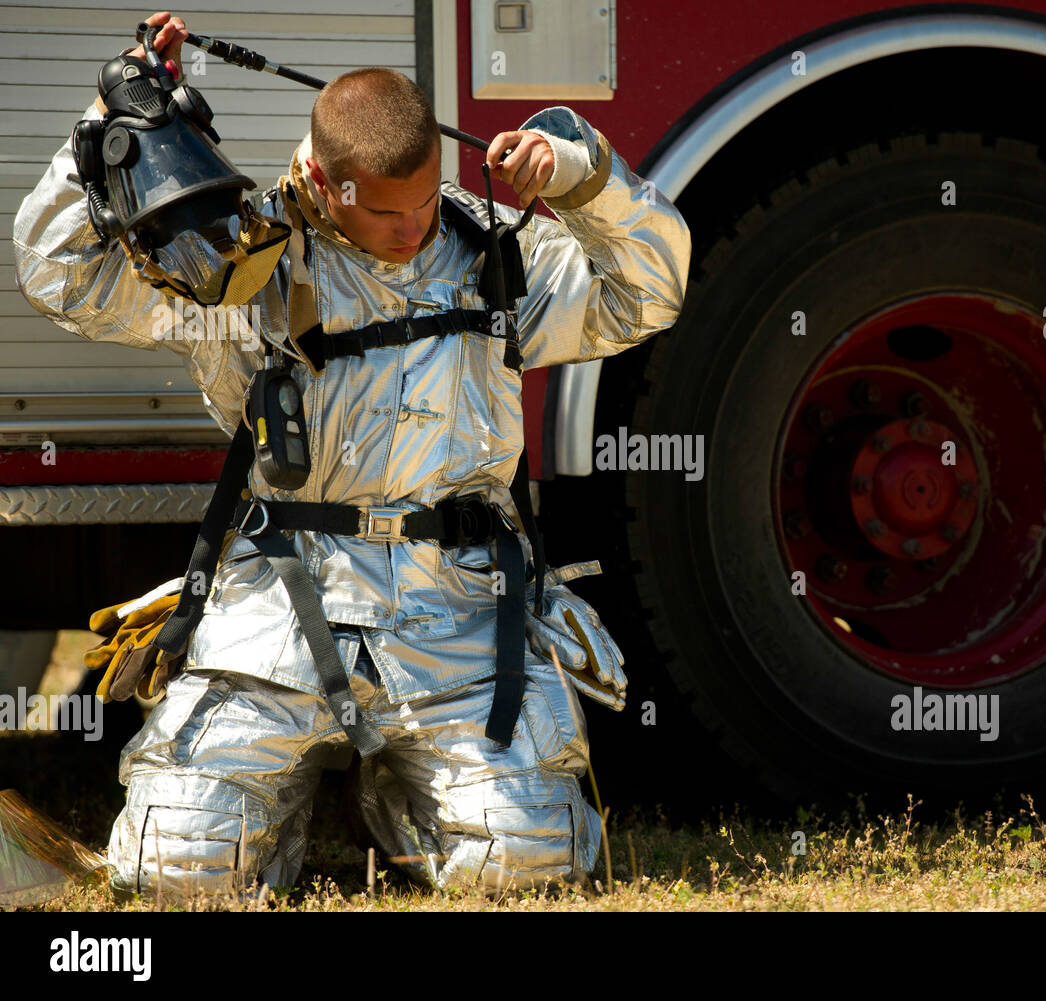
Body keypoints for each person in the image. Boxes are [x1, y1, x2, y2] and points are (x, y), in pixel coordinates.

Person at [13, 11, 690, 898]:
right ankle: (279, 812)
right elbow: (61, 274)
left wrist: (585, 173)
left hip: (458, 612)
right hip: (277, 609)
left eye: (423, 202)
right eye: (384, 210)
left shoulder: (491, 258)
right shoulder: (235, 265)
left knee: (528, 864)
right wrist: (115, 133)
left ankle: (399, 798)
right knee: (183, 866)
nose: (414, 228)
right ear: (323, 181)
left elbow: (650, 292)